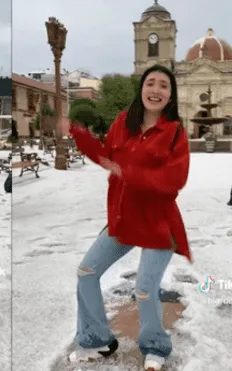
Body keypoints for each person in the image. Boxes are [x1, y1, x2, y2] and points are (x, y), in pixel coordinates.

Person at [59, 64, 191, 371]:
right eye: (151, 83)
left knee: (144, 289)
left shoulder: (175, 133)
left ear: (170, 95)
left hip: (158, 221)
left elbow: (175, 179)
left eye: (163, 86)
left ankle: (155, 346)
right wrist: (79, 133)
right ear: (142, 88)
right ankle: (96, 339)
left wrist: (131, 173)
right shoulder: (123, 121)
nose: (155, 90)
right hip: (124, 217)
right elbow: (107, 157)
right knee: (86, 272)